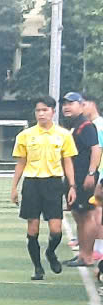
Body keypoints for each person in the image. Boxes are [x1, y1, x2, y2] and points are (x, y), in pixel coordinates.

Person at [10, 96, 77, 280]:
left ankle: (50, 252)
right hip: (32, 183)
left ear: (53, 112)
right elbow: (21, 162)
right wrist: (14, 187)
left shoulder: (64, 135)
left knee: (56, 229)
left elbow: (68, 162)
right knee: (33, 229)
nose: (41, 114)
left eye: (45, 110)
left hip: (53, 183)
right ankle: (37, 268)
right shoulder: (25, 135)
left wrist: (72, 186)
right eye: (38, 110)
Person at [65, 92, 102, 270]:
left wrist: (91, 173)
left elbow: (96, 149)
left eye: (71, 103)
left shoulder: (86, 125)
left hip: (83, 177)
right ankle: (82, 254)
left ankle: (87, 256)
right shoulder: (74, 125)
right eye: (65, 104)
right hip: (75, 177)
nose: (66, 107)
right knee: (79, 215)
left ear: (81, 105)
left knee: (87, 215)